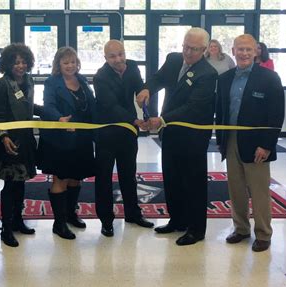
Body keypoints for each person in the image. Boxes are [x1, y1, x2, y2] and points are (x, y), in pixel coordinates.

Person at [136, 27, 217, 246]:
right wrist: (147, 89)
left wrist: (161, 120)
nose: (188, 52)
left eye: (194, 49)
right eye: (185, 46)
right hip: (170, 134)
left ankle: (196, 229)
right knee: (172, 180)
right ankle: (177, 220)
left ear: (205, 50)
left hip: (193, 138)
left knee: (193, 183)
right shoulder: (173, 60)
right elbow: (158, 78)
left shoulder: (208, 74)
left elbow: (193, 108)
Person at [216, 34, 285, 252]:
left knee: (259, 190)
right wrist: (220, 140)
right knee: (235, 188)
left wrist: (267, 145)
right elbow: (221, 110)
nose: (244, 53)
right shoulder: (225, 78)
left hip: (258, 145)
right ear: (233, 51)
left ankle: (263, 233)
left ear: (256, 51)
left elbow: (276, 115)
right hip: (231, 140)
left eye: (248, 50)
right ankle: (241, 229)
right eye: (240, 49)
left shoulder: (269, 78)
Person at [93, 40, 154, 238]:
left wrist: (145, 95)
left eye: (121, 54)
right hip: (107, 133)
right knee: (104, 178)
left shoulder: (133, 66)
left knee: (129, 175)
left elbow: (139, 88)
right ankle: (106, 221)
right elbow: (111, 106)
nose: (118, 59)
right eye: (112, 56)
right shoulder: (100, 77)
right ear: (105, 58)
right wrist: (134, 120)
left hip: (128, 133)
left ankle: (132, 214)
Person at [38, 47, 96, 239]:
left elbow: (91, 105)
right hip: (59, 140)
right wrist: (59, 119)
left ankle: (71, 215)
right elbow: (48, 106)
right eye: (65, 62)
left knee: (76, 177)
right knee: (60, 179)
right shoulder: (51, 82)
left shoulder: (82, 80)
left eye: (72, 61)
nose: (70, 66)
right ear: (58, 65)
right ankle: (59, 223)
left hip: (81, 140)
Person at [0, 43, 37, 247]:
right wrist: (3, 136)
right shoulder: (2, 84)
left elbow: (30, 107)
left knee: (21, 183)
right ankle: (6, 229)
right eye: (16, 62)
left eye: (23, 61)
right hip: (8, 141)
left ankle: (18, 221)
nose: (20, 65)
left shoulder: (29, 80)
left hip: (25, 139)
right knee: (10, 185)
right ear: (8, 64)